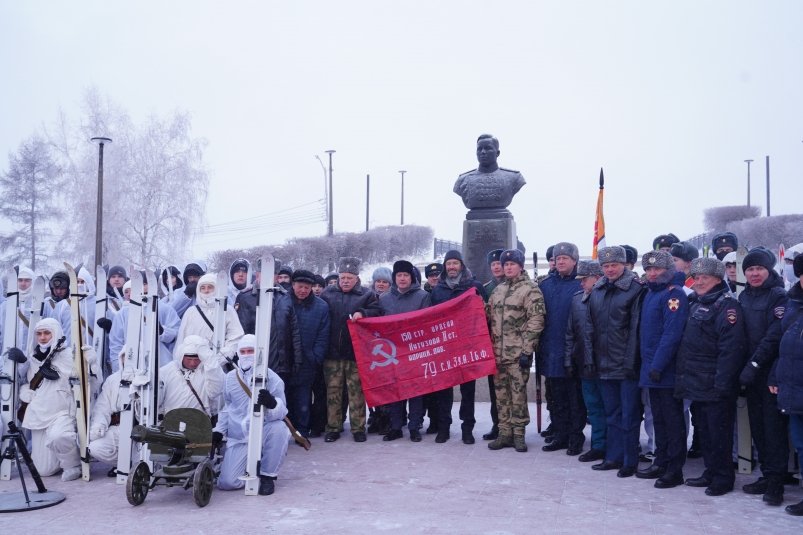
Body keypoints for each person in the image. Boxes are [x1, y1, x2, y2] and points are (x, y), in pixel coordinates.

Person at [676, 257, 746, 496]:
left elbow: (731, 349)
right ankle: (710, 471)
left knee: (719, 433)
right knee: (704, 430)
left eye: (705, 277)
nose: (699, 281)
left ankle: (723, 477)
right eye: (696, 277)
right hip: (696, 381)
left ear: (718, 279)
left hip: (716, 383)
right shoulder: (694, 301)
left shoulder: (727, 307)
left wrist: (722, 383)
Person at [583, 246, 646, 478]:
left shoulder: (635, 290)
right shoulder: (598, 290)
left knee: (629, 415)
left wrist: (631, 362)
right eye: (606, 266)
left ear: (624, 265)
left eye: (614, 265)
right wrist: (590, 358)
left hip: (626, 364)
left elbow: (635, 329)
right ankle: (613, 456)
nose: (610, 269)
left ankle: (630, 460)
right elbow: (589, 328)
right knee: (611, 414)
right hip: (603, 363)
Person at [736, 247, 789, 506]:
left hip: (770, 374)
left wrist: (754, 365)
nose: (754, 273)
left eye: (759, 268)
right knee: (757, 426)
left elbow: (774, 336)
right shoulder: (744, 296)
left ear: (770, 270)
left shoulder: (779, 296)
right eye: (750, 269)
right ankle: (767, 475)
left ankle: (777, 482)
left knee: (773, 429)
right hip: (750, 374)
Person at [636, 250, 689, 488]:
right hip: (651, 369)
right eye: (648, 269)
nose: (652, 273)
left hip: (665, 370)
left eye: (657, 269)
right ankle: (660, 460)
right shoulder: (650, 293)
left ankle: (674, 469)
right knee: (658, 419)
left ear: (668, 270)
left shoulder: (673, 295)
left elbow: (671, 334)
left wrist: (658, 365)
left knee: (672, 420)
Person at [215, 335, 290, 496]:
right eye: (243, 351)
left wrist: (272, 404)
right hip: (240, 437)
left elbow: (283, 411)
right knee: (228, 483)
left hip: (263, 431)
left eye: (251, 351)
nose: (247, 354)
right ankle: (246, 464)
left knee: (280, 429)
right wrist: (219, 431)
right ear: (238, 353)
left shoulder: (271, 378)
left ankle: (267, 475)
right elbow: (227, 408)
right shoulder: (230, 379)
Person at [486, 249, 545, 452]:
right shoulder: (498, 290)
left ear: (520, 266)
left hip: (518, 354)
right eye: (505, 264)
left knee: (518, 396)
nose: (508, 267)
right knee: (501, 396)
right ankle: (504, 433)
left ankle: (518, 434)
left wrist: (527, 351)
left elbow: (536, 320)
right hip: (497, 354)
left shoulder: (530, 290)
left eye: (512, 264)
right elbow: (487, 316)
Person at [319, 257, 381, 443]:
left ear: (357, 278)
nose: (345, 280)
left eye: (349, 277)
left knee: (356, 393)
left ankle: (358, 428)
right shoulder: (327, 294)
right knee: (333, 392)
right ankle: (334, 427)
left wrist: (363, 313)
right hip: (332, 354)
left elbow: (377, 311)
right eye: (342, 277)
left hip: (356, 354)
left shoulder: (367, 295)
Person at [430, 250, 486, 444]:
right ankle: (444, 427)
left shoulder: (474, 286)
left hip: (467, 346)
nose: (452, 267)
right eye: (449, 263)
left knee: (468, 391)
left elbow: (483, 314)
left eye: (455, 263)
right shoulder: (438, 290)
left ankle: (467, 428)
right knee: (444, 390)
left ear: (461, 265)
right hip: (445, 347)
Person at [18, 318, 83, 480]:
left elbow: (86, 381)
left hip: (61, 410)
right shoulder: (34, 356)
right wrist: (20, 363)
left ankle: (72, 465)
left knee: (59, 436)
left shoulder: (68, 355)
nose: (42, 337)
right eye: (39, 334)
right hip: (39, 411)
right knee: (43, 471)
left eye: (47, 333)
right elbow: (27, 382)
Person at [538, 242, 585, 455]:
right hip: (550, 350)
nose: (561, 261)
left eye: (566, 258)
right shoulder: (546, 285)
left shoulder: (581, 284)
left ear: (574, 261)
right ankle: (559, 433)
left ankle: (575, 437)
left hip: (574, 351)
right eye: (558, 259)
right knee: (555, 398)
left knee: (574, 398)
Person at [378, 260, 431, 442]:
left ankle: (414, 426)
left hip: (414, 351)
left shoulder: (422, 296)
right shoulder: (384, 298)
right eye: (399, 275)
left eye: (406, 275)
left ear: (412, 277)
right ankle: (395, 426)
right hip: (392, 352)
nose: (402, 278)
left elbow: (426, 323)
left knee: (415, 391)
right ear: (394, 278)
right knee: (395, 391)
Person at [769, 253, 803, 516]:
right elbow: (781, 345)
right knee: (801, 444)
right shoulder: (793, 303)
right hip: (792, 386)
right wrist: (774, 375)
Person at [565, 260, 606, 463]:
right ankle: (598, 445)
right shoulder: (577, 299)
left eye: (585, 280)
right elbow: (570, 333)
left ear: (597, 278)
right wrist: (568, 359)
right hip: (583, 363)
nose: (581, 284)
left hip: (607, 363)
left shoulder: (608, 297)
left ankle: (614, 445)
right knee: (594, 406)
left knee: (611, 408)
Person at [288, 269, 330, 438]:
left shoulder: (321, 306)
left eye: (307, 287)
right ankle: (286, 428)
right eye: (300, 286)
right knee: (286, 394)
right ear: (293, 285)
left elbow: (323, 334)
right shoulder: (284, 302)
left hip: (308, 359)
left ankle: (302, 430)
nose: (303, 290)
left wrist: (315, 356)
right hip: (287, 357)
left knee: (304, 395)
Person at [177, 273, 243, 364]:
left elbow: (235, 337)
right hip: (193, 363)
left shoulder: (227, 310)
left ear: (216, 288)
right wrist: (182, 361)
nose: (206, 290)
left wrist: (221, 358)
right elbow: (181, 339)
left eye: (210, 287)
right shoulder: (191, 312)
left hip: (219, 364)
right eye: (203, 288)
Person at [453, 134, 525, 211]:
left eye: (488, 148)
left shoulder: (513, 177)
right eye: (479, 149)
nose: (483, 152)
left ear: (497, 153)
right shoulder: (463, 180)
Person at [159, 334, 225, 417]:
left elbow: (215, 392)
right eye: (189, 359)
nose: (193, 363)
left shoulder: (209, 372)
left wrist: (210, 360)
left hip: (198, 424)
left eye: (197, 359)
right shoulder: (167, 371)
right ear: (181, 356)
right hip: (171, 422)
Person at [481, 248, 504, 441]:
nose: (497, 267)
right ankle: (497, 425)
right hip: (491, 344)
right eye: (493, 264)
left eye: (500, 263)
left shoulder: (517, 286)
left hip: (511, 345)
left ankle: (512, 426)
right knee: (494, 389)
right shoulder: (486, 288)